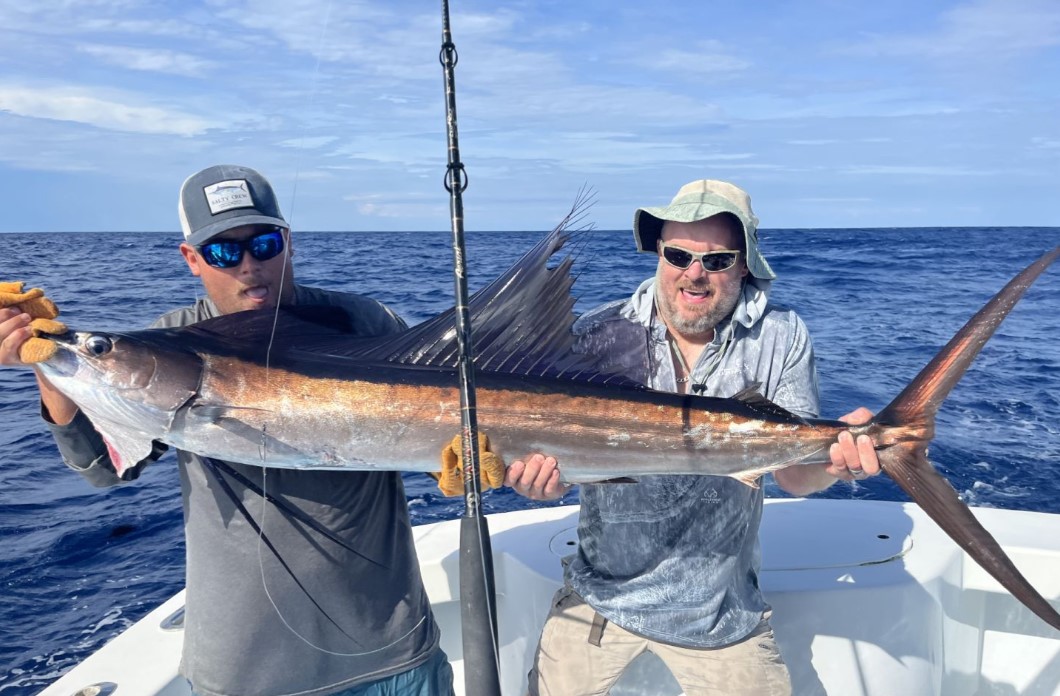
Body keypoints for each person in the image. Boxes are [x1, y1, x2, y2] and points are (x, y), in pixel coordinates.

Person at [0, 165, 454, 696]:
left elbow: (446, 440)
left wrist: (465, 470)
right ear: (191, 258)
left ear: (287, 241)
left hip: (392, 649)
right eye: (222, 251)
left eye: (263, 244)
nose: (248, 266)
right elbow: (104, 470)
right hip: (245, 668)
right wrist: (47, 361)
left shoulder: (365, 323)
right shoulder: (170, 337)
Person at [506, 179, 882, 696]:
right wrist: (543, 482)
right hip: (600, 602)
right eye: (679, 255)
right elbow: (566, 459)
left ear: (744, 265)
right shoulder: (597, 333)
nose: (695, 274)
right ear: (659, 254)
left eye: (717, 260)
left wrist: (835, 464)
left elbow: (795, 477)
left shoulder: (781, 335)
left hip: (721, 616)